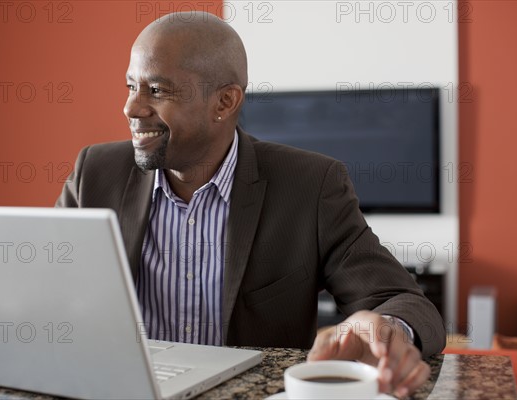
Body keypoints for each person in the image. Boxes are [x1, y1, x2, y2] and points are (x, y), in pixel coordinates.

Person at [56, 11, 445, 397]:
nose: (131, 107)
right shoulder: (96, 172)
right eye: (130, 86)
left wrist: (388, 328)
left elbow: (401, 299)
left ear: (224, 101)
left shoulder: (310, 186)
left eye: (156, 90)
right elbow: (41, 286)